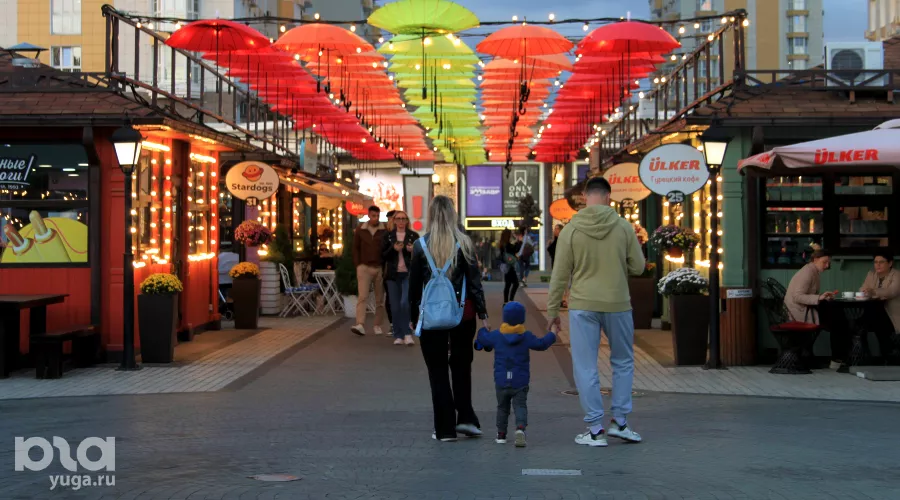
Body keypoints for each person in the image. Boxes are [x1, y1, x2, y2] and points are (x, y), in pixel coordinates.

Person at [547, 176, 646, 447]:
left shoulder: (571, 230)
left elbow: (559, 274)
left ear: (585, 197)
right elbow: (638, 267)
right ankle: (621, 423)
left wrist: (553, 310)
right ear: (608, 197)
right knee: (623, 362)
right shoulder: (624, 228)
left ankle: (594, 429)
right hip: (618, 304)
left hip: (583, 305)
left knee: (585, 366)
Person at [409, 195, 489, 442]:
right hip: (463, 315)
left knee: (437, 371)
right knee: (462, 366)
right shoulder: (464, 242)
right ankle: (466, 417)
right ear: (453, 214)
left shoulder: (420, 246)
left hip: (432, 316)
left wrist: (413, 319)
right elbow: (475, 283)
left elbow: (413, 288)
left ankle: (445, 429)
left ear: (431, 215)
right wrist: (483, 314)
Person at [475, 302, 557, 447]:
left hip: (501, 380)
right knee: (520, 406)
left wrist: (483, 329)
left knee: (502, 407)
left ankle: (501, 434)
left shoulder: (496, 336)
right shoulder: (526, 336)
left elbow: (482, 338)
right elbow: (542, 344)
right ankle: (520, 429)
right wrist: (553, 333)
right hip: (520, 380)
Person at [785, 249, 847, 367]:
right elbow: (797, 296)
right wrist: (819, 298)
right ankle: (837, 358)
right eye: (824, 262)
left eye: (828, 263)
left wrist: (821, 297)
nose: (827, 265)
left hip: (805, 309)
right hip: (798, 312)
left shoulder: (812, 271)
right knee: (839, 321)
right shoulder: (807, 273)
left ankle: (838, 358)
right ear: (815, 259)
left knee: (837, 316)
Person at [382, 210, 419, 346]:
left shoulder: (413, 236)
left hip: (408, 274)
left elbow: (420, 255)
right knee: (395, 306)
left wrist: (412, 251)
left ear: (407, 221)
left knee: (405, 303)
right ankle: (398, 334)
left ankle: (407, 334)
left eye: (404, 219)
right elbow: (383, 255)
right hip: (392, 275)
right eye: (398, 219)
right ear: (394, 221)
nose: (401, 222)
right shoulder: (388, 236)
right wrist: (393, 249)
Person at [351, 205, 386, 336]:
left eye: (377, 216)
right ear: (368, 215)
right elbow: (355, 248)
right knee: (363, 296)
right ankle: (360, 324)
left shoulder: (384, 230)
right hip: (364, 267)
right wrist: (358, 264)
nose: (375, 218)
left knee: (379, 299)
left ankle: (377, 324)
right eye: (373, 216)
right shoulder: (361, 229)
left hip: (379, 267)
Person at [860, 252, 900, 362]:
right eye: (876, 262)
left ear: (890, 263)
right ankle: (868, 353)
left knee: (871, 318)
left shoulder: (897, 275)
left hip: (892, 314)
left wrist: (873, 292)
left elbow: (892, 291)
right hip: (876, 314)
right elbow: (863, 289)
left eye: (881, 262)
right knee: (873, 314)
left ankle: (858, 330)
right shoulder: (871, 275)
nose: (878, 265)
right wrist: (867, 292)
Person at [499, 228, 521, 305]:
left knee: (508, 284)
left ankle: (506, 302)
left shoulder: (502, 244)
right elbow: (516, 249)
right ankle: (510, 300)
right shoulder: (507, 245)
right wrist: (517, 240)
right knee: (516, 283)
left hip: (506, 266)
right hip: (509, 266)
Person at [384, 210, 397, 330]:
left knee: (404, 300)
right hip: (390, 271)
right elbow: (383, 254)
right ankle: (393, 324)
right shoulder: (386, 235)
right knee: (390, 298)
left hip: (404, 271)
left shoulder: (407, 234)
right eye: (391, 219)